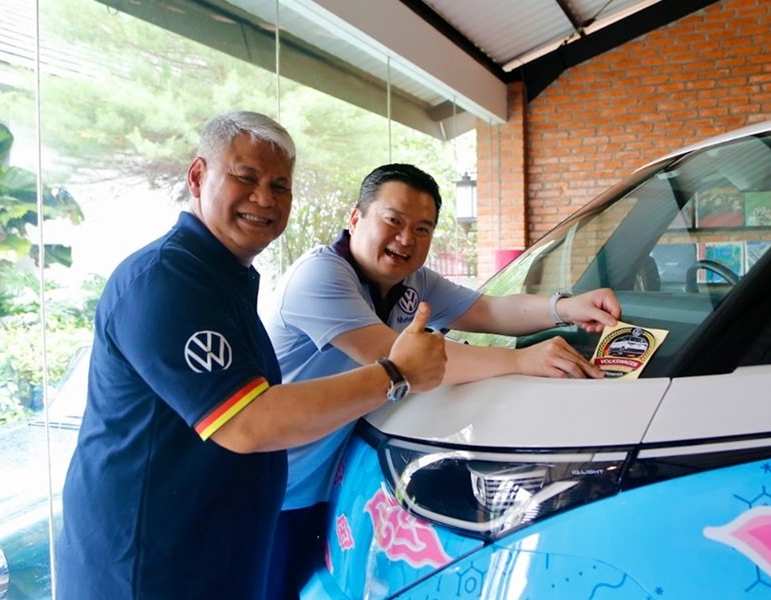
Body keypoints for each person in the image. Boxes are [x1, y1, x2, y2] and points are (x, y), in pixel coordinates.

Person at [56, 116, 447, 599]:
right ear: (197, 177)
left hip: (214, 551)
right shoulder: (166, 279)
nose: (264, 199)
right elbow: (249, 422)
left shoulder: (225, 277)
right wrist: (395, 372)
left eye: (279, 186)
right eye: (246, 177)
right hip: (148, 568)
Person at [261, 163, 622, 598]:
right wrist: (522, 360)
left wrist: (564, 308)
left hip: (324, 485)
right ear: (356, 218)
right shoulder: (320, 277)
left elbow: (489, 311)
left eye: (422, 228)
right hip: (267, 491)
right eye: (393, 220)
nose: (405, 239)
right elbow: (408, 362)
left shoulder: (412, 282)